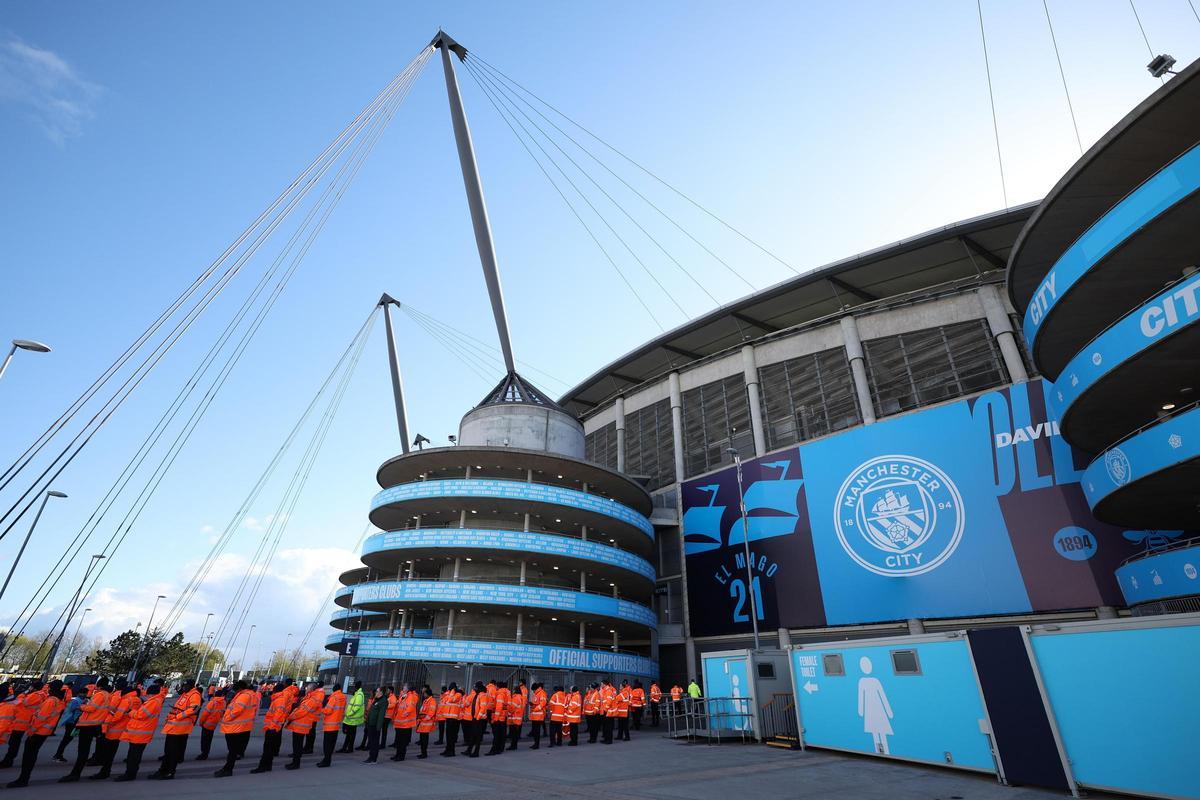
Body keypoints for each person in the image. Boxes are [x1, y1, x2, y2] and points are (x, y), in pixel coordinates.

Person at [6, 680, 65, 789]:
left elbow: (41, 718)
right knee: (31, 755)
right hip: (44, 732)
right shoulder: (59, 700)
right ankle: (24, 778)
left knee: (28, 756)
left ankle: (23, 779)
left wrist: (32, 730)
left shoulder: (51, 701)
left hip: (38, 732)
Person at [150, 679, 202, 780]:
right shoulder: (186, 694)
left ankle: (169, 772)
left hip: (180, 727)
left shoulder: (194, 695)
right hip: (174, 726)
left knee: (172, 752)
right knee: (168, 751)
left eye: (185, 686)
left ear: (191, 686)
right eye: (183, 686)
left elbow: (194, 709)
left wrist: (179, 716)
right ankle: (163, 770)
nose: (183, 687)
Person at [90, 682, 138, 780]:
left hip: (114, 730)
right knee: (112, 752)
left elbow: (117, 716)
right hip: (124, 729)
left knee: (109, 754)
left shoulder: (125, 700)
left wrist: (106, 723)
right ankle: (106, 771)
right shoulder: (137, 700)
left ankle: (105, 772)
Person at [115, 683, 163, 781]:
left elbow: (140, 715)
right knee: (134, 756)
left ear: (151, 693)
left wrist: (130, 712)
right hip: (141, 732)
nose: (146, 696)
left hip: (140, 733)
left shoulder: (153, 702)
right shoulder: (155, 701)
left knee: (133, 756)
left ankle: (129, 775)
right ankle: (130, 774)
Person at [214, 681, 259, 777]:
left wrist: (226, 718)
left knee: (232, 750)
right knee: (233, 750)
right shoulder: (250, 694)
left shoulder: (244, 696)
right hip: (240, 726)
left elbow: (237, 710)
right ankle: (227, 768)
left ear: (240, 688)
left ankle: (228, 769)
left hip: (235, 727)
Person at [250, 681, 294, 774]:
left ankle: (263, 766)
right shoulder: (279, 699)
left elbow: (278, 714)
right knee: (269, 748)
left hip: (272, 727)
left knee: (267, 748)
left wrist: (271, 726)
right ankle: (268, 765)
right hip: (274, 726)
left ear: (275, 691)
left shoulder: (279, 700)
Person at [0, 680, 46, 768]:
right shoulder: (40, 694)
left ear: (33, 687)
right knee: (14, 742)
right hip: (23, 721)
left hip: (20, 722)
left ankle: (8, 760)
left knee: (14, 743)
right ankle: (9, 759)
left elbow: (21, 702)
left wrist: (23, 693)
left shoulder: (36, 695)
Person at [283, 682, 324, 771]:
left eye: (307, 688)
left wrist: (291, 717)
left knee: (297, 745)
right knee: (297, 745)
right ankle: (295, 762)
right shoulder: (309, 697)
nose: (306, 689)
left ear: (311, 689)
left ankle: (296, 763)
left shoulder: (312, 699)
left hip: (301, 725)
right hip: (299, 725)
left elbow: (302, 711)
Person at [51, 684, 86, 763]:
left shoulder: (80, 700)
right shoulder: (76, 700)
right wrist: (83, 707)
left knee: (69, 738)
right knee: (66, 739)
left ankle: (59, 754)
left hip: (75, 722)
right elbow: (73, 708)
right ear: (79, 693)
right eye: (83, 693)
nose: (84, 695)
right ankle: (58, 755)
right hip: (72, 722)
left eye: (85, 693)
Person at [316, 683, 345, 768]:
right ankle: (327, 760)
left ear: (334, 689)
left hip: (330, 725)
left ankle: (326, 761)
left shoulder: (334, 697)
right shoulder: (343, 697)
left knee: (327, 745)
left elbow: (328, 711)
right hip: (337, 724)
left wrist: (321, 709)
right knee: (332, 744)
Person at [194, 686, 225, 761]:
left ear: (215, 695)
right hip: (213, 725)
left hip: (206, 724)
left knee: (204, 740)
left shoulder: (212, 702)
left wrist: (201, 722)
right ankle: (206, 753)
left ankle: (204, 754)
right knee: (209, 740)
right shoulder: (223, 703)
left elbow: (205, 714)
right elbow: (222, 713)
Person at [389, 684, 417, 761]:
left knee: (402, 741)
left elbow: (410, 707)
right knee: (398, 740)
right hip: (400, 722)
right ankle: (397, 754)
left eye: (404, 687)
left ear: (408, 689)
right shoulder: (403, 696)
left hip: (405, 723)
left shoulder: (410, 696)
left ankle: (401, 756)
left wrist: (405, 713)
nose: (403, 688)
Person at [463, 681, 491, 758]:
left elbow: (483, 708)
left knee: (477, 736)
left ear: (479, 688)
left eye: (475, 687)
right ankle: (469, 750)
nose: (474, 688)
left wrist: (478, 718)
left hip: (479, 719)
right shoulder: (478, 695)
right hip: (475, 718)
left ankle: (476, 752)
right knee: (473, 735)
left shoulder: (483, 695)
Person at [361, 687, 388, 764]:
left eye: (377, 691)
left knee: (374, 743)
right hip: (370, 724)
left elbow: (381, 716)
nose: (375, 692)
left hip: (375, 725)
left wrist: (378, 727)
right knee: (371, 741)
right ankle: (370, 757)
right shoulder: (376, 700)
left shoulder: (383, 701)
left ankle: (373, 759)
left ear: (381, 693)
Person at [436, 682, 461, 757]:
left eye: (452, 687)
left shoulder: (458, 694)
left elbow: (451, 700)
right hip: (448, 718)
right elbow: (444, 701)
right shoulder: (448, 694)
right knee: (448, 735)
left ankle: (452, 751)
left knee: (451, 736)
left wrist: (452, 692)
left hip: (454, 719)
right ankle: (447, 749)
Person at [339, 681, 365, 752]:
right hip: (351, 718)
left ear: (356, 687)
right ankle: (345, 748)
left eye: (354, 686)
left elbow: (357, 707)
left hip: (353, 719)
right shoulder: (357, 694)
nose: (353, 688)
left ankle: (349, 748)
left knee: (351, 735)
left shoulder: (359, 695)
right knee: (349, 734)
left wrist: (349, 713)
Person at [486, 680, 509, 756]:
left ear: (498, 687)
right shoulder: (506, 693)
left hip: (499, 718)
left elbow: (499, 707)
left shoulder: (500, 694)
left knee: (497, 735)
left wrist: (495, 718)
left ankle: (494, 750)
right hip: (503, 716)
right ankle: (500, 748)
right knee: (501, 734)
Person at [416, 686, 437, 759]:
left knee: (424, 739)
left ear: (428, 694)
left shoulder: (432, 701)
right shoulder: (426, 701)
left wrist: (424, 719)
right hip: (423, 722)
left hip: (426, 723)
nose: (424, 695)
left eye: (425, 694)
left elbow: (431, 712)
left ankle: (424, 753)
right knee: (422, 739)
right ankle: (422, 752)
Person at [505, 680, 525, 750]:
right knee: (515, 733)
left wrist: (508, 712)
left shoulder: (516, 698)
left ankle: (513, 746)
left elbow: (512, 708)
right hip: (517, 718)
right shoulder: (520, 697)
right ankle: (514, 745)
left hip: (514, 718)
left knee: (513, 733)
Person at [526, 682, 547, 750]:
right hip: (534, 715)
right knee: (535, 731)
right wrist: (532, 705)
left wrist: (535, 708)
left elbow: (543, 703)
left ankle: (536, 744)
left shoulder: (542, 693)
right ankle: (535, 743)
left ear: (536, 689)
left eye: (533, 690)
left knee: (537, 731)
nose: (533, 691)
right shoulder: (536, 694)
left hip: (538, 715)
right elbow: (537, 703)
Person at [601, 680, 617, 745]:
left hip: (608, 712)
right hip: (607, 711)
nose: (601, 685)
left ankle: (609, 740)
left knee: (608, 727)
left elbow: (609, 701)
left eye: (601, 684)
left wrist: (605, 709)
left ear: (604, 684)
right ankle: (606, 739)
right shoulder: (606, 690)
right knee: (606, 727)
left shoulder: (608, 691)